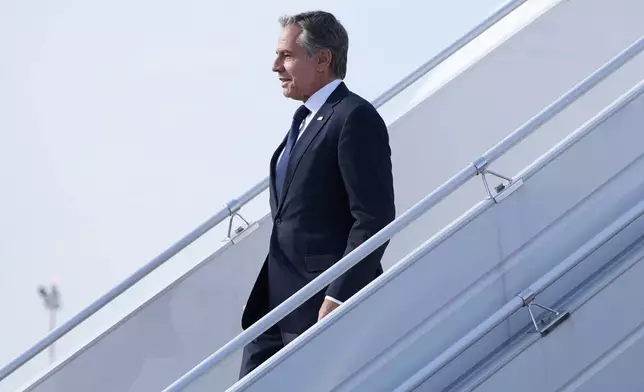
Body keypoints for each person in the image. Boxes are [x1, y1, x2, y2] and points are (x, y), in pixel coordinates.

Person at [239, 10, 396, 378]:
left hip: (319, 304)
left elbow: (373, 218)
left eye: (287, 55)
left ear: (322, 58)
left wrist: (337, 295)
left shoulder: (353, 116)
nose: (275, 66)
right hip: (275, 308)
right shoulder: (305, 120)